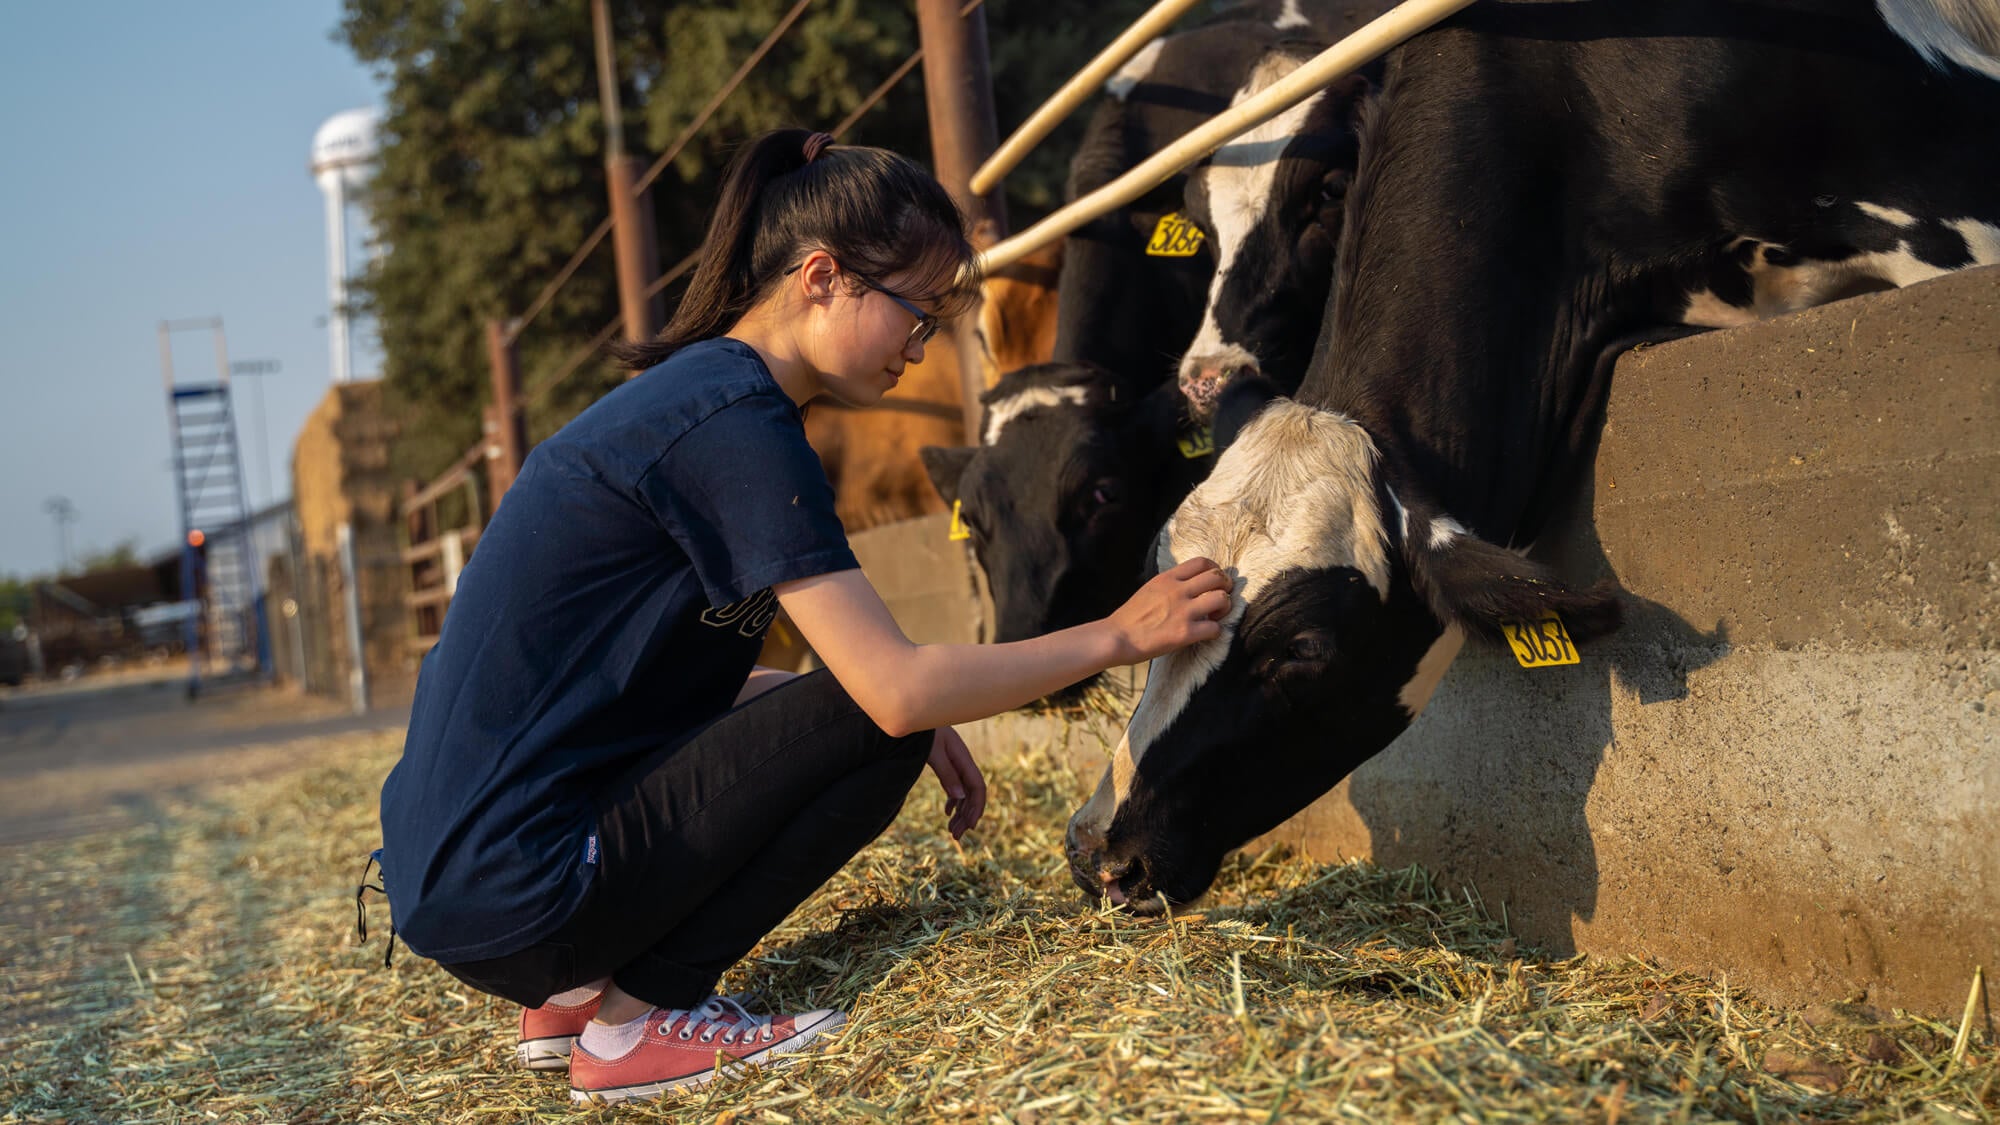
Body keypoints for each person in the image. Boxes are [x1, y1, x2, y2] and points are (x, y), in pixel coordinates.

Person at [374, 127, 1232, 1106]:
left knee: (858, 712)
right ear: (821, 276)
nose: (922, 347)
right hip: (526, 883)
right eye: (917, 313)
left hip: (471, 883)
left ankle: (569, 997)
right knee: (881, 720)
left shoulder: (689, 400)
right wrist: (1123, 631)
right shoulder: (735, 424)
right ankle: (632, 1025)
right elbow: (894, 692)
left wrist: (816, 715)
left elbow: (620, 677)